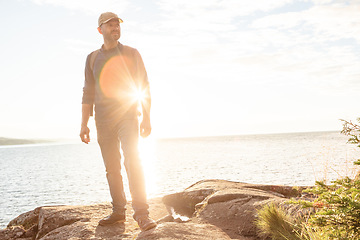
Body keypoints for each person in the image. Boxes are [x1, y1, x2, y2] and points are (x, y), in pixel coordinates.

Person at [80, 12, 156, 231]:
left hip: (128, 116)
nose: (115, 28)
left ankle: (142, 214)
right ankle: (118, 212)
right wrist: (84, 124)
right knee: (112, 168)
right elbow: (88, 92)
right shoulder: (92, 58)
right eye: (110, 25)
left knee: (133, 161)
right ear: (100, 30)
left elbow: (144, 86)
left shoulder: (132, 53)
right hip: (103, 121)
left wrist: (147, 117)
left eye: (117, 25)